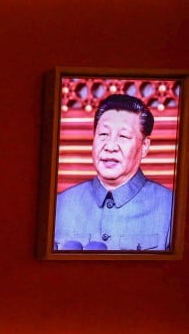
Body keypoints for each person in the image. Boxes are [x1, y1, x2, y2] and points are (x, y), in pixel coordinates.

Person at [54, 94, 173, 251]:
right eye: (103, 134)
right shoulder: (59, 204)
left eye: (123, 136)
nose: (110, 146)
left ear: (145, 146)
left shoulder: (171, 208)